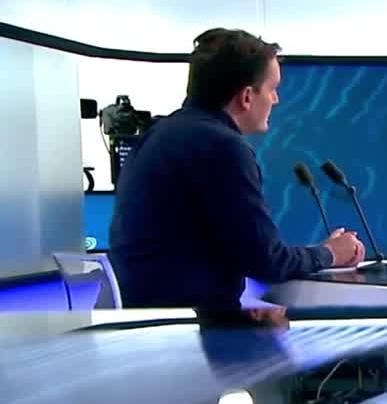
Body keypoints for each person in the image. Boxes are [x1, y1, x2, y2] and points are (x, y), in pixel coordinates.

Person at [109, 28, 364, 309]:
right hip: (191, 325)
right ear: (246, 97)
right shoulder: (222, 147)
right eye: (272, 89)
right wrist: (329, 253)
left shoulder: (157, 134)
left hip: (148, 317)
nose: (276, 100)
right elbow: (266, 261)